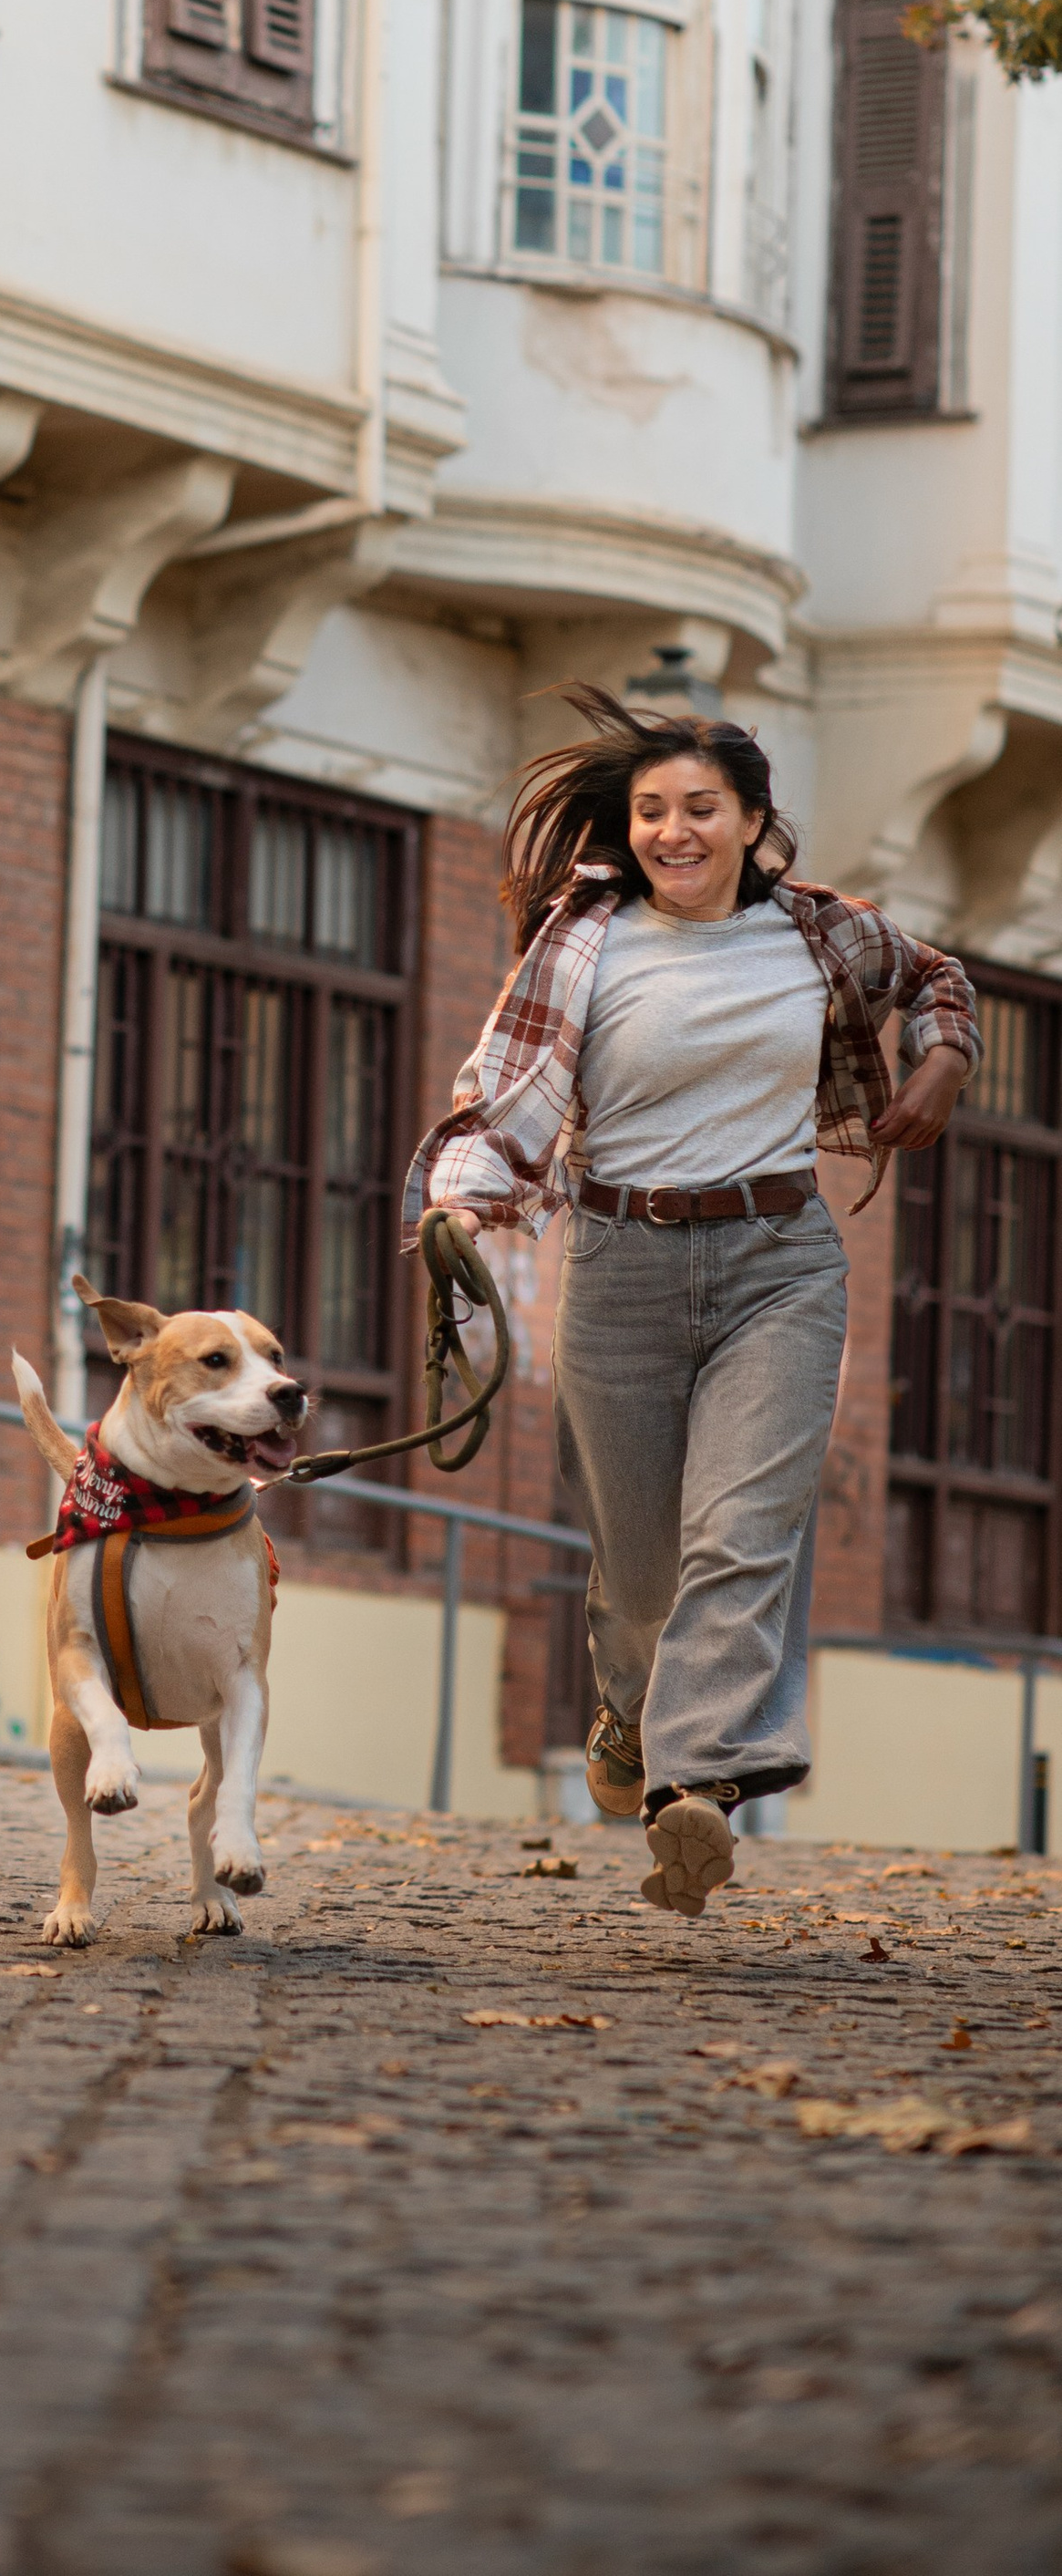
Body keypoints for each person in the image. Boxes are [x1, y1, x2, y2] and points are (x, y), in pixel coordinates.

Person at [405, 688, 978, 1918]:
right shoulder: (583, 943)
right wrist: (460, 1206)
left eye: (701, 808)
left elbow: (938, 979)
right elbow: (504, 1093)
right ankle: (631, 1710)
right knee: (642, 1568)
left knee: (744, 1531)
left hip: (782, 1262)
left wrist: (942, 1060)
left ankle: (698, 1785)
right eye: (652, 810)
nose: (674, 831)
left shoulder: (823, 934)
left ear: (752, 821)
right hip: (621, 1267)